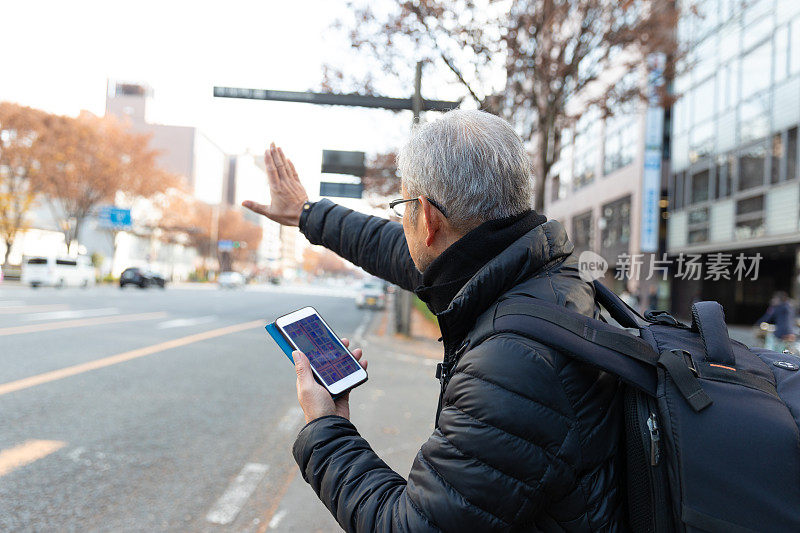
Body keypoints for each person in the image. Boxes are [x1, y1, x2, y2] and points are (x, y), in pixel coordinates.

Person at [244, 110, 623, 531]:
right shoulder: (536, 266)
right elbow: (392, 247)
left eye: (403, 206)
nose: (400, 223)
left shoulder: (512, 367)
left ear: (427, 218)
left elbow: (410, 526)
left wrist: (327, 428)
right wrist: (307, 212)